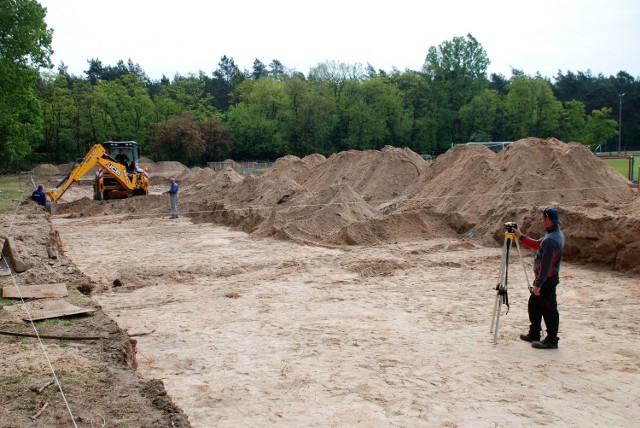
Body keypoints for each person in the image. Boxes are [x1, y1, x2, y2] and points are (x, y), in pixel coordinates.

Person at [514, 207, 565, 349]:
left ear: (548, 219)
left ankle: (552, 340)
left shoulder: (552, 240)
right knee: (534, 305)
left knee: (549, 309)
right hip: (545, 279)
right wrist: (521, 236)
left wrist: (538, 284)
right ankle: (534, 333)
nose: (541, 220)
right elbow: (537, 244)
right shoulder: (554, 234)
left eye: (543, 218)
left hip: (547, 280)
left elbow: (546, 265)